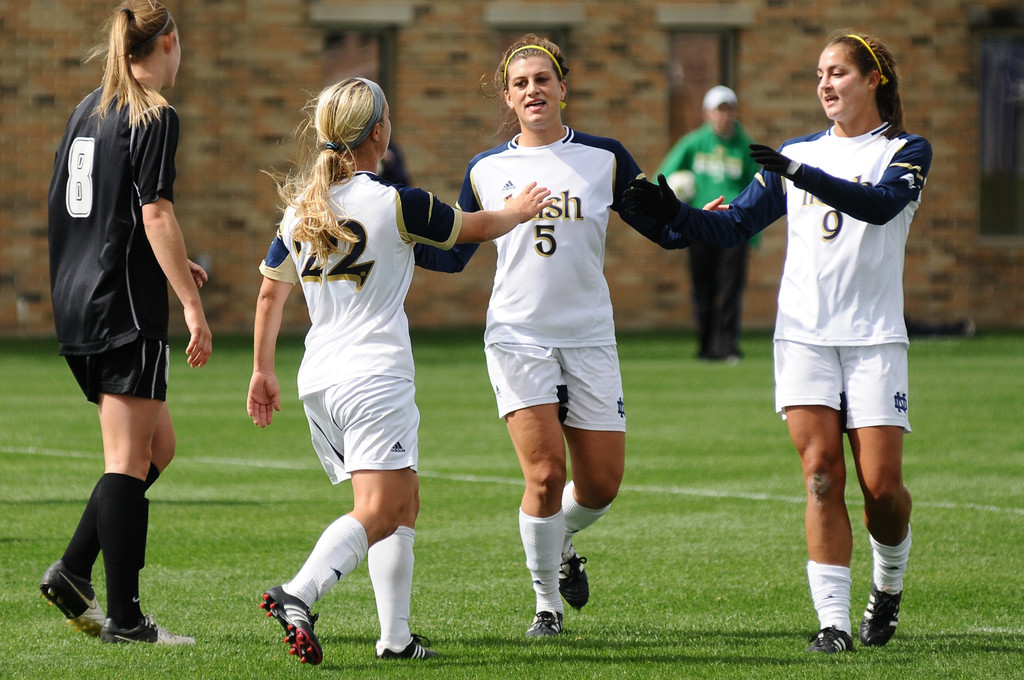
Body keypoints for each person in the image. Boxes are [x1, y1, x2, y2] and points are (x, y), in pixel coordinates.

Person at [623, 32, 929, 653]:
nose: (825, 84)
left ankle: (888, 583)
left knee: (882, 491)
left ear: (873, 80)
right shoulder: (796, 153)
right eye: (819, 74)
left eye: (838, 72)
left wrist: (799, 173)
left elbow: (878, 206)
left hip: (873, 339)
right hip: (804, 337)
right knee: (820, 476)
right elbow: (735, 223)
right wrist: (671, 214)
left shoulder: (904, 150)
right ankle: (833, 624)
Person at [246, 77, 553, 665]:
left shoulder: (300, 209)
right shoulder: (397, 202)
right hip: (373, 377)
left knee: (403, 498)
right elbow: (472, 230)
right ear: (378, 131)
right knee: (380, 508)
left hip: (321, 379)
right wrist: (517, 210)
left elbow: (268, 295)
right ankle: (299, 592)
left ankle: (396, 639)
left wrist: (262, 371)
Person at [415, 34, 691, 638]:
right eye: (520, 83)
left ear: (563, 88)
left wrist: (702, 223)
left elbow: (660, 226)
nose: (532, 90)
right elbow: (457, 252)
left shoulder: (604, 157)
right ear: (508, 98)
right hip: (518, 336)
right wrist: (398, 243)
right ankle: (547, 606)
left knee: (601, 486)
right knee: (544, 475)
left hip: (590, 337)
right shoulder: (486, 169)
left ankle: (558, 541)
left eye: (543, 79)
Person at [42, 1, 211, 646]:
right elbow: (154, 212)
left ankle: (72, 570)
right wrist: (190, 305)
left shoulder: (87, 108)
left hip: (78, 301)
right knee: (126, 459)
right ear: (168, 42)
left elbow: (95, 211)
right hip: (123, 307)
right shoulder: (153, 112)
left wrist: (171, 263)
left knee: (154, 450)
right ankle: (127, 620)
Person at [656, 86, 760, 361]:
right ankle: (705, 347)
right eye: (718, 110)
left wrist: (754, 233)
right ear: (707, 113)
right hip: (699, 224)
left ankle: (727, 346)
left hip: (734, 226)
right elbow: (663, 176)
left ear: (734, 112)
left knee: (730, 288)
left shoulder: (745, 146)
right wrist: (676, 205)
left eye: (728, 109)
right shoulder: (693, 143)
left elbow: (758, 191)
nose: (723, 115)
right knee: (703, 287)